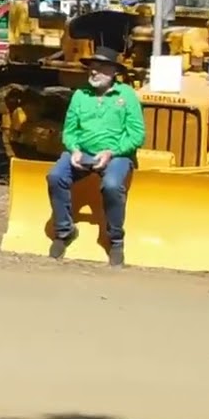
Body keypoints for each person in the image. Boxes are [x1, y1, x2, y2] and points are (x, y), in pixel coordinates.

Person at [46, 46, 146, 267]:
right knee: (55, 177)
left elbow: (137, 134)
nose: (94, 72)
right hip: (83, 153)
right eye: (92, 67)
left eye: (100, 68)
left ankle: (115, 240)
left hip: (117, 154)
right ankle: (64, 231)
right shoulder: (80, 95)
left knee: (111, 185)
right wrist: (74, 149)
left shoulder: (127, 95)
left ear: (113, 72)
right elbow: (70, 130)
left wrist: (112, 152)